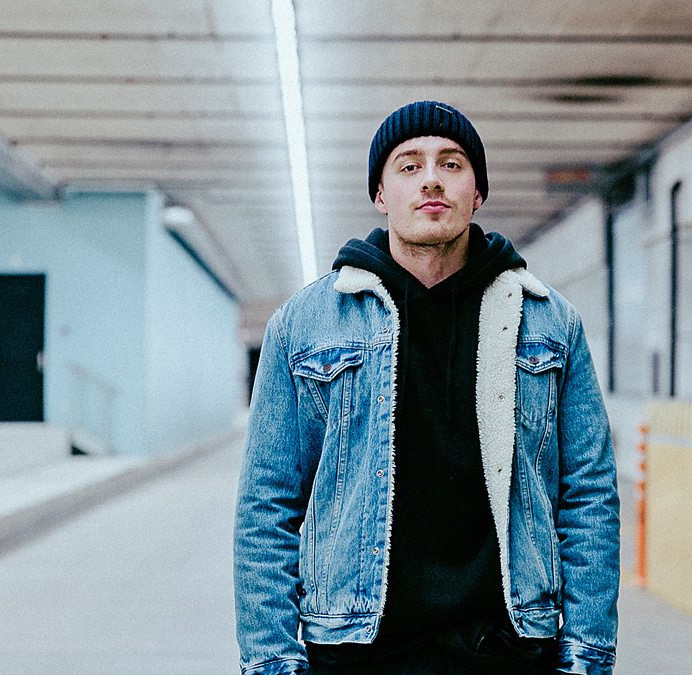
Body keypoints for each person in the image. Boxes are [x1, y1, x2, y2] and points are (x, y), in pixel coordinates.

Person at [234, 100, 619, 674]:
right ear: (381, 194)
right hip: (356, 652)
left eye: (452, 163)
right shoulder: (306, 323)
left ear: (477, 192)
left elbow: (588, 495)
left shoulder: (549, 321)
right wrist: (270, 661)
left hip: (508, 649)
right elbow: (267, 504)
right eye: (409, 165)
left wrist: (587, 654)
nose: (432, 179)